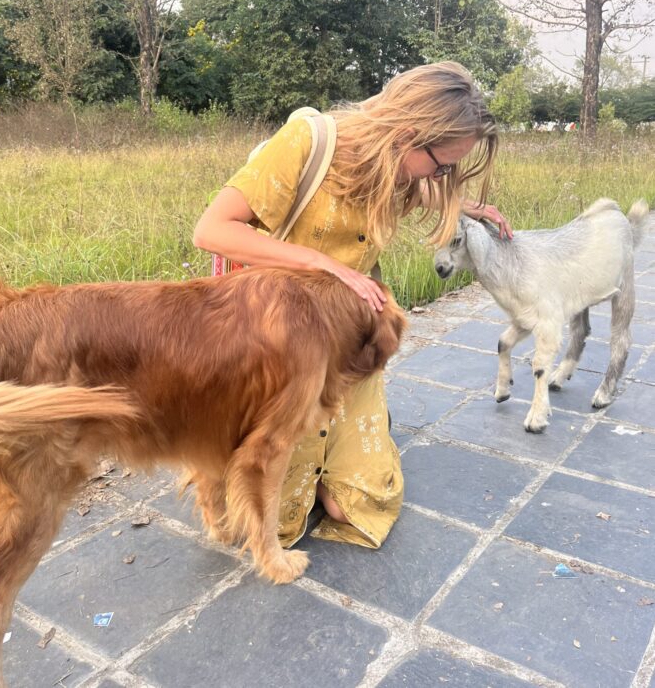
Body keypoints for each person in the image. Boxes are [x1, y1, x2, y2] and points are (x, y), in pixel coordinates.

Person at [193, 60, 512, 550]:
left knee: (354, 507)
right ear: (407, 134)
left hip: (347, 341)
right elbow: (211, 230)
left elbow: (416, 181)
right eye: (443, 164)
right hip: (283, 346)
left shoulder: (400, 165)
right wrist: (321, 264)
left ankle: (337, 451)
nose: (443, 177)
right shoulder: (308, 142)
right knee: (259, 520)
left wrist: (468, 207)